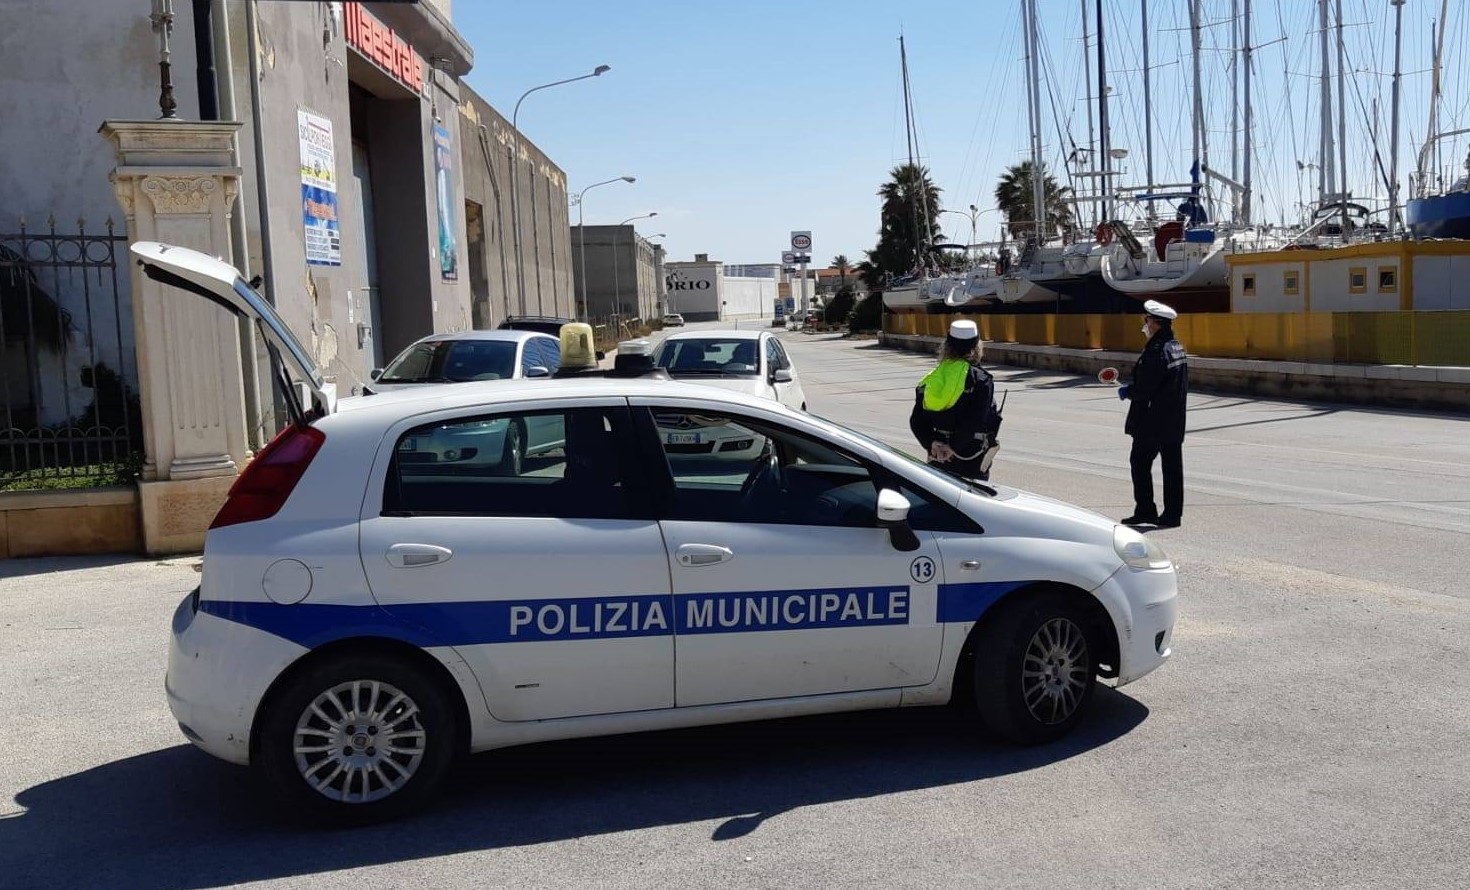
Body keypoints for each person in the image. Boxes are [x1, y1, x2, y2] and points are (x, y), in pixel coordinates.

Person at [1117, 299, 1188, 527]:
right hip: (1174, 418)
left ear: (1154, 322)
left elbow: (1146, 388)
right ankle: (1173, 514)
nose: (1144, 324)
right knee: (1172, 468)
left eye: (1146, 320)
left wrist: (1128, 391)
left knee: (1139, 462)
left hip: (1153, 421)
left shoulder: (1156, 351)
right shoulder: (1176, 347)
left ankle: (1146, 509)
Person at [909, 319, 1001, 482]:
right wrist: (953, 447)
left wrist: (931, 443)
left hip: (938, 456)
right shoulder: (981, 379)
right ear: (977, 346)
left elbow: (917, 420)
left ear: (947, 346)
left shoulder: (932, 378)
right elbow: (975, 421)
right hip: (970, 456)